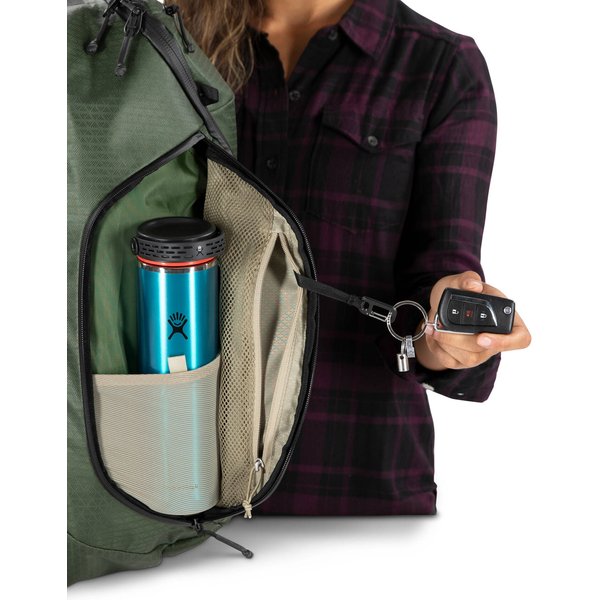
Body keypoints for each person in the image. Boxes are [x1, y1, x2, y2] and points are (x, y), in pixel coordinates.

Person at [179, 0, 531, 515]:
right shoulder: (168, 40)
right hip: (169, 475)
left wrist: (447, 336)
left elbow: (437, 275)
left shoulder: (441, 66)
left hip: (350, 484)